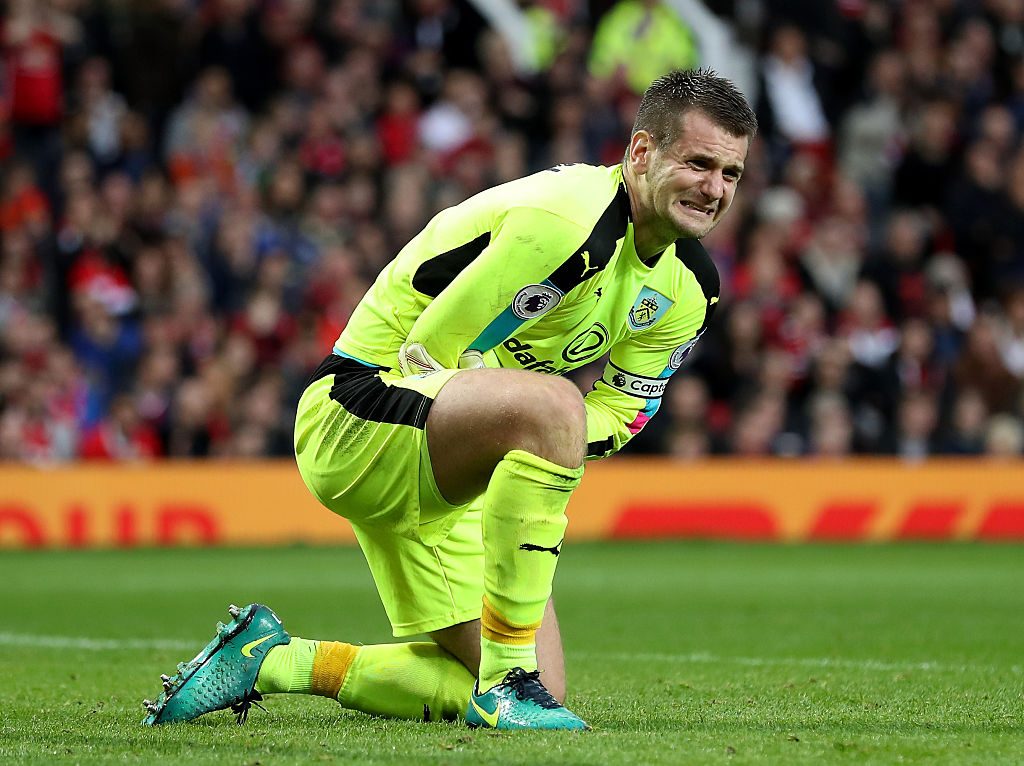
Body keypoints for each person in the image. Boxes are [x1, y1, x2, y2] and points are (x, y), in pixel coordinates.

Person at [142, 68, 756, 731]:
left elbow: (627, 411)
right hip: (359, 409)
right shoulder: (568, 222)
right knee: (554, 408)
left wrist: (534, 440)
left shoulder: (690, 286)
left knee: (549, 685)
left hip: (450, 457)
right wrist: (538, 427)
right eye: (698, 163)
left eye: (730, 174)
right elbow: (427, 353)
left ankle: (272, 660)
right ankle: (505, 684)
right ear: (641, 154)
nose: (714, 189)